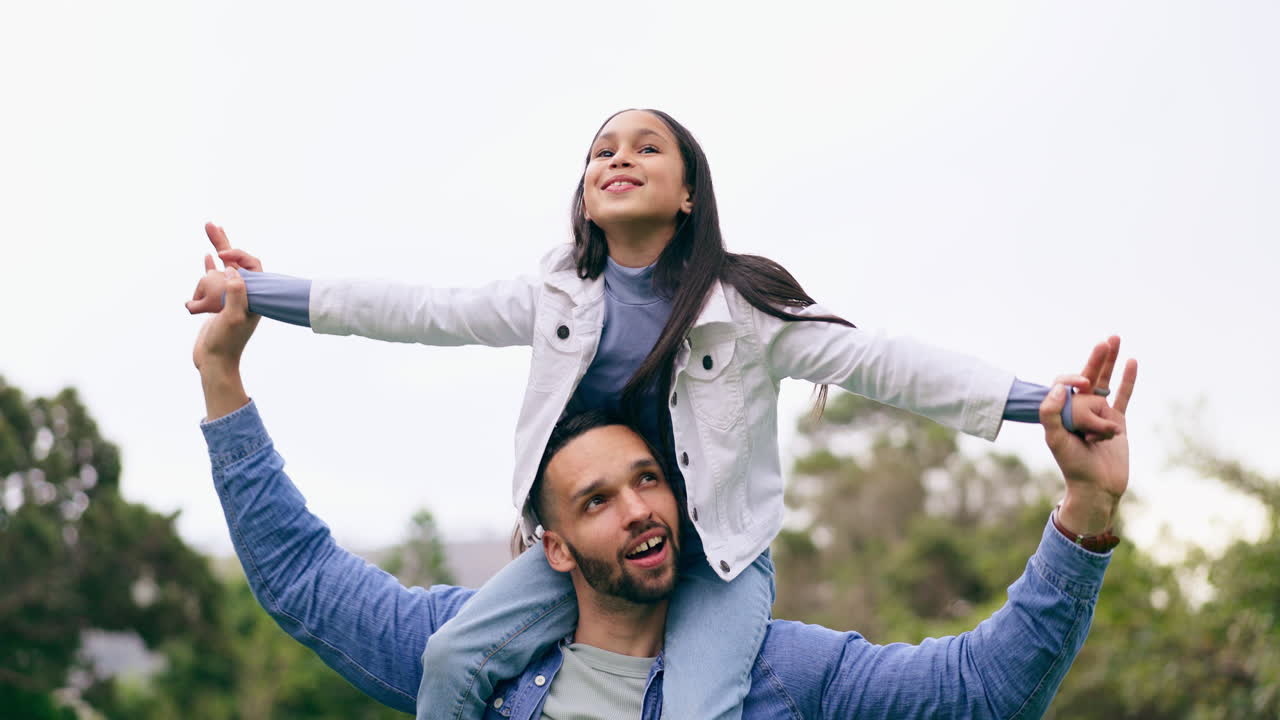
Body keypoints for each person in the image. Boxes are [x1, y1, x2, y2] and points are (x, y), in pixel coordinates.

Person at [185, 108, 1122, 720]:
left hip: (718, 562)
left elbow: (885, 365)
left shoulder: (746, 313)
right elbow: (418, 310)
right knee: (449, 658)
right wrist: (259, 293)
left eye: (646, 147)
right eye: (602, 150)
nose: (619, 158)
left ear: (687, 193)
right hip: (593, 568)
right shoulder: (556, 299)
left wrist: (1041, 405)